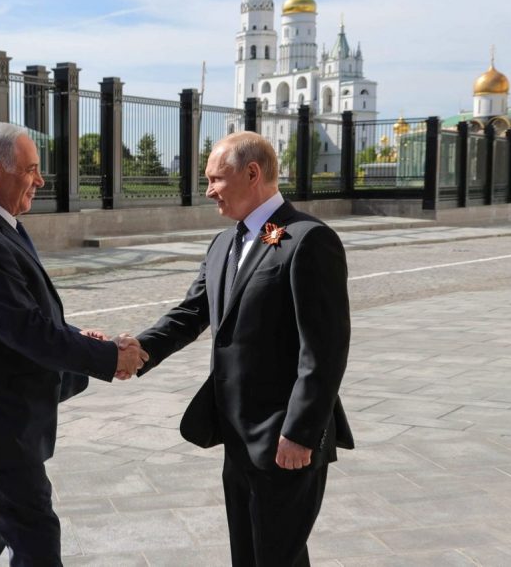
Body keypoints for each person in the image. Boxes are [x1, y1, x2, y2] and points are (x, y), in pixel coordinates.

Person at [0, 121, 148, 566]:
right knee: (36, 539)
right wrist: (109, 355)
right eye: (32, 169)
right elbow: (27, 333)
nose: (40, 180)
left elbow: (20, 318)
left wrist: (79, 337)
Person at [129, 131, 353, 566]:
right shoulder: (225, 244)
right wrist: (136, 349)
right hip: (237, 435)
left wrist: (300, 433)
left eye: (216, 179)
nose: (209, 190)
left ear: (252, 173)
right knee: (250, 555)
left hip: (286, 437)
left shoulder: (307, 240)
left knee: (276, 556)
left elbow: (324, 350)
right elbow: (190, 314)